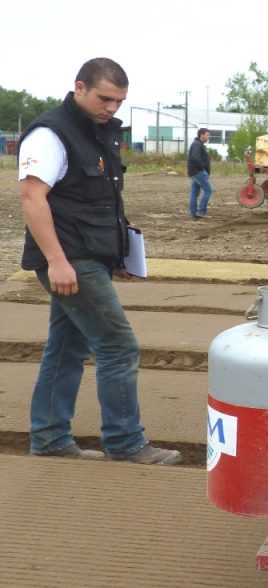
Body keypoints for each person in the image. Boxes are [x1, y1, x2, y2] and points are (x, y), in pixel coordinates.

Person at [18, 57, 181, 465]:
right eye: (104, 98)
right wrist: (56, 261)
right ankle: (126, 443)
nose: (112, 108)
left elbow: (103, 202)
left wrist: (120, 254)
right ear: (79, 87)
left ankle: (51, 439)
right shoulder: (50, 134)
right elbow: (32, 199)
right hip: (69, 258)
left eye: (119, 102)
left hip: (91, 255)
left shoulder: (101, 133)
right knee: (118, 346)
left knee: (67, 345)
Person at [188, 128, 213, 219]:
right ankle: (201, 211)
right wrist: (203, 168)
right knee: (208, 190)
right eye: (207, 135)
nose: (209, 137)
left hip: (195, 172)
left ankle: (193, 213)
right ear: (201, 135)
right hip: (198, 172)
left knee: (194, 193)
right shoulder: (197, 145)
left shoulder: (198, 144)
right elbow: (195, 158)